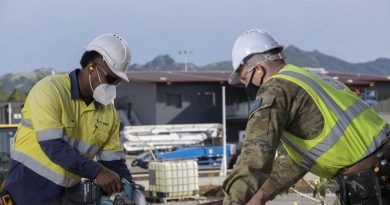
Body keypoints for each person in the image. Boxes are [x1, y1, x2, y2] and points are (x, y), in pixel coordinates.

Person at [222, 29, 390, 205]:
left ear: (258, 70)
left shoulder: (275, 89)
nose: (249, 86)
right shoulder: (308, 78)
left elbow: (254, 156)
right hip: (377, 171)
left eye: (245, 79)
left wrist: (233, 201)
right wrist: (262, 193)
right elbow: (302, 159)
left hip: (366, 182)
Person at [3, 34, 133, 205]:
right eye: (110, 78)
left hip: (70, 195)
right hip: (27, 190)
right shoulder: (50, 91)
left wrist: (129, 189)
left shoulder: (109, 114)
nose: (113, 85)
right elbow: (52, 145)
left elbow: (114, 162)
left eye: (117, 81)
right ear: (92, 66)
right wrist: (98, 172)